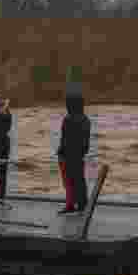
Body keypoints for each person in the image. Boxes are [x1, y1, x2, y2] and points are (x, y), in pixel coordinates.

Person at [57, 87, 91, 215]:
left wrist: (61, 152)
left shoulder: (68, 119)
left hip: (68, 155)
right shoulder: (85, 119)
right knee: (80, 180)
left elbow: (64, 139)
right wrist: (83, 151)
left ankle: (71, 204)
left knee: (69, 182)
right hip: (79, 154)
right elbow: (85, 140)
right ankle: (82, 204)